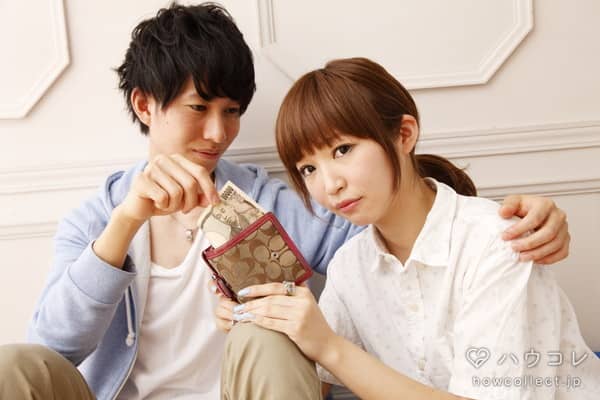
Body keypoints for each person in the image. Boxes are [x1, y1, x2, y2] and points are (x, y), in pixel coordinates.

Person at [0, 3, 571, 400]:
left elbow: (392, 226)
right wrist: (126, 222)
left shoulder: (268, 200)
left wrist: (517, 218)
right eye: (199, 108)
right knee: (11, 366)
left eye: (232, 111)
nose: (218, 133)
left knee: (264, 333)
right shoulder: (95, 219)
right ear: (145, 105)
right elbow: (54, 348)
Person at [223, 57, 600, 399]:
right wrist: (261, 319)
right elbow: (307, 384)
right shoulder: (350, 267)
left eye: (343, 150)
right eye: (308, 169)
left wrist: (329, 347)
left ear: (404, 134)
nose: (330, 184)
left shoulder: (495, 243)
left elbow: (327, 351)